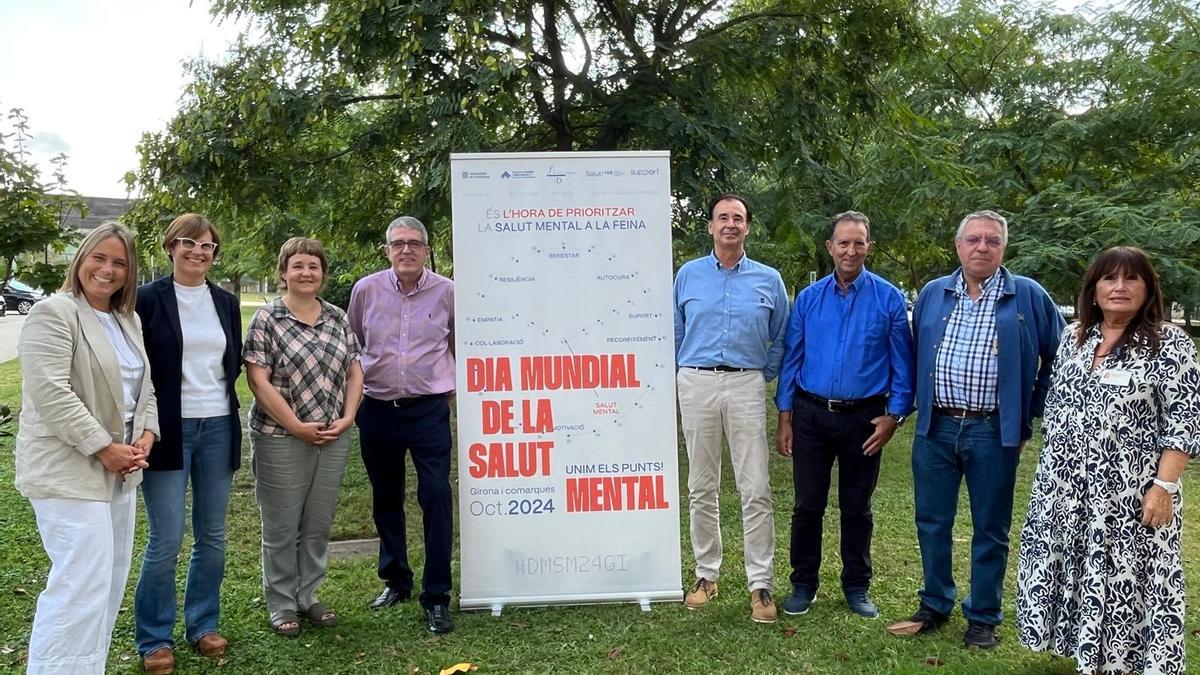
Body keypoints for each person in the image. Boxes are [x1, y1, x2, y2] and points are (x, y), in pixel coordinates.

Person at [1017, 247, 1199, 674]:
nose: (1119, 288)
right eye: (1108, 279)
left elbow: (1185, 423)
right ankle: (1086, 653)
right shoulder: (1076, 336)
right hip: (1065, 486)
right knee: (1076, 566)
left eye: (1130, 279)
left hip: (1130, 493)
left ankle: (1127, 661)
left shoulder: (1169, 344)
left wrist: (1164, 487)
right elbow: (1059, 403)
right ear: (1093, 290)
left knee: (1125, 578)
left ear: (1148, 288)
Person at [887, 210, 1064, 648]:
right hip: (936, 428)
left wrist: (1029, 410)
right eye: (973, 239)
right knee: (932, 520)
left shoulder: (1027, 296)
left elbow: (1061, 360)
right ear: (958, 245)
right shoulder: (933, 293)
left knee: (990, 527)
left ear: (1003, 248)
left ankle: (983, 615)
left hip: (992, 431)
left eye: (991, 241)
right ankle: (935, 602)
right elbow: (913, 354)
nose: (981, 247)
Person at [15, 222, 158, 674]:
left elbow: (145, 388)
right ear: (81, 259)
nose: (107, 269)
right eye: (99, 257)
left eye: (119, 262)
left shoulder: (126, 319)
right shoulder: (54, 312)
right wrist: (104, 447)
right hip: (69, 469)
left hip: (120, 469)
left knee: (108, 582)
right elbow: (50, 392)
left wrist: (146, 435)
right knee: (79, 583)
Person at [774, 211, 915, 619]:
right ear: (830, 247)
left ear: (869, 246)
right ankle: (803, 583)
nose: (850, 250)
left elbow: (902, 365)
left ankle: (856, 586)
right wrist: (785, 416)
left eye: (859, 243)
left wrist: (895, 416)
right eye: (843, 243)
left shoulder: (888, 298)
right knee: (807, 505)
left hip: (865, 420)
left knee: (857, 507)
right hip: (811, 416)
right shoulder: (808, 299)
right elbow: (792, 359)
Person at [673, 193, 789, 624]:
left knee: (755, 487)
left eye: (738, 218)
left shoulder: (768, 279)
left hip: (745, 382)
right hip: (697, 380)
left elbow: (781, 334)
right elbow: (675, 328)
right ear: (710, 227)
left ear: (747, 227)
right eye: (723, 217)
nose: (730, 224)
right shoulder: (687, 276)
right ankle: (707, 575)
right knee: (701, 486)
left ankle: (761, 585)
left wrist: (764, 372)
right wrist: (683, 372)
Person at [133, 214, 242, 674]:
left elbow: (231, 363)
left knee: (212, 536)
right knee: (166, 537)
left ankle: (203, 623)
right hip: (167, 428)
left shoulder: (226, 302)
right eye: (188, 243)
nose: (198, 252)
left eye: (207, 246)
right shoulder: (145, 300)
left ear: (215, 254)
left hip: (217, 424)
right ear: (170, 248)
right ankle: (154, 637)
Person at [243, 237, 363, 638]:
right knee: (281, 525)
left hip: (332, 435)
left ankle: (308, 595)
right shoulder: (268, 319)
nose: (306, 272)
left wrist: (348, 417)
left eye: (313, 265)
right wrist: (294, 425)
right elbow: (257, 379)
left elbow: (354, 370)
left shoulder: (337, 318)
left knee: (317, 522)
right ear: (283, 272)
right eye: (298, 266)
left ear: (323, 273)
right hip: (280, 436)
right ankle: (281, 603)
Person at [347, 216, 456, 634]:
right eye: (398, 243)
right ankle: (396, 579)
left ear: (427, 250)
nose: (406, 249)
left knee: (435, 495)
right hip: (377, 407)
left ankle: (437, 595)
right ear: (387, 249)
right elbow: (357, 343)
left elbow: (457, 343)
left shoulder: (447, 292)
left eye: (414, 243)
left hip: (428, 409)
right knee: (386, 497)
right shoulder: (365, 290)